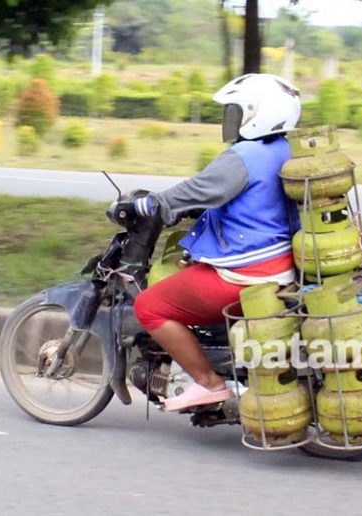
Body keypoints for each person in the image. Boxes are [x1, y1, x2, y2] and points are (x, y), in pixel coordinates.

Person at [130, 73, 302, 411]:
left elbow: (196, 189)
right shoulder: (284, 149)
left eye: (237, 111)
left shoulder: (244, 157)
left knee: (148, 306)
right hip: (280, 264)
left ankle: (208, 383)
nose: (231, 119)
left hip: (245, 275)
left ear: (259, 114)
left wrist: (151, 204)